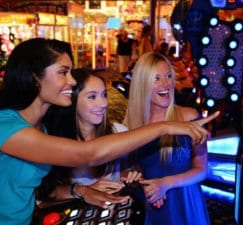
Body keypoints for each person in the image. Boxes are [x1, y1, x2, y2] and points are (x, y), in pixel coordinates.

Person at [0, 38, 219, 225]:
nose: (72, 80)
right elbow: (87, 154)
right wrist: (165, 126)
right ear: (35, 77)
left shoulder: (44, 127)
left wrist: (81, 190)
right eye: (63, 73)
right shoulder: (6, 125)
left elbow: (37, 190)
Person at [123, 52, 212, 225]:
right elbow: (129, 170)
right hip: (153, 204)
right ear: (142, 84)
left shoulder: (189, 116)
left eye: (169, 76)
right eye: (156, 78)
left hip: (186, 204)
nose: (166, 84)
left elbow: (202, 170)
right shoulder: (132, 125)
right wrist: (139, 182)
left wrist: (166, 183)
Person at [37, 68, 142, 207]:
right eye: (92, 97)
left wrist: (129, 176)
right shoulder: (54, 141)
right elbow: (42, 198)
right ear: (72, 100)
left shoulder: (119, 132)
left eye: (104, 95)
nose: (103, 103)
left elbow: (134, 170)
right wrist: (87, 190)